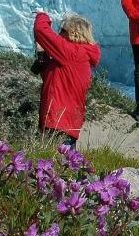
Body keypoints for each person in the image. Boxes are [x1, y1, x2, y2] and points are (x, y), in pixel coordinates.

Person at [32, 11, 100, 149]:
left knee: (53, 165)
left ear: (72, 33)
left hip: (58, 120)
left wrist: (42, 16)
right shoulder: (77, 56)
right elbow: (51, 80)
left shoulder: (71, 53)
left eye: (62, 30)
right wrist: (42, 56)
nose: (58, 34)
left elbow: (41, 30)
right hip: (66, 122)